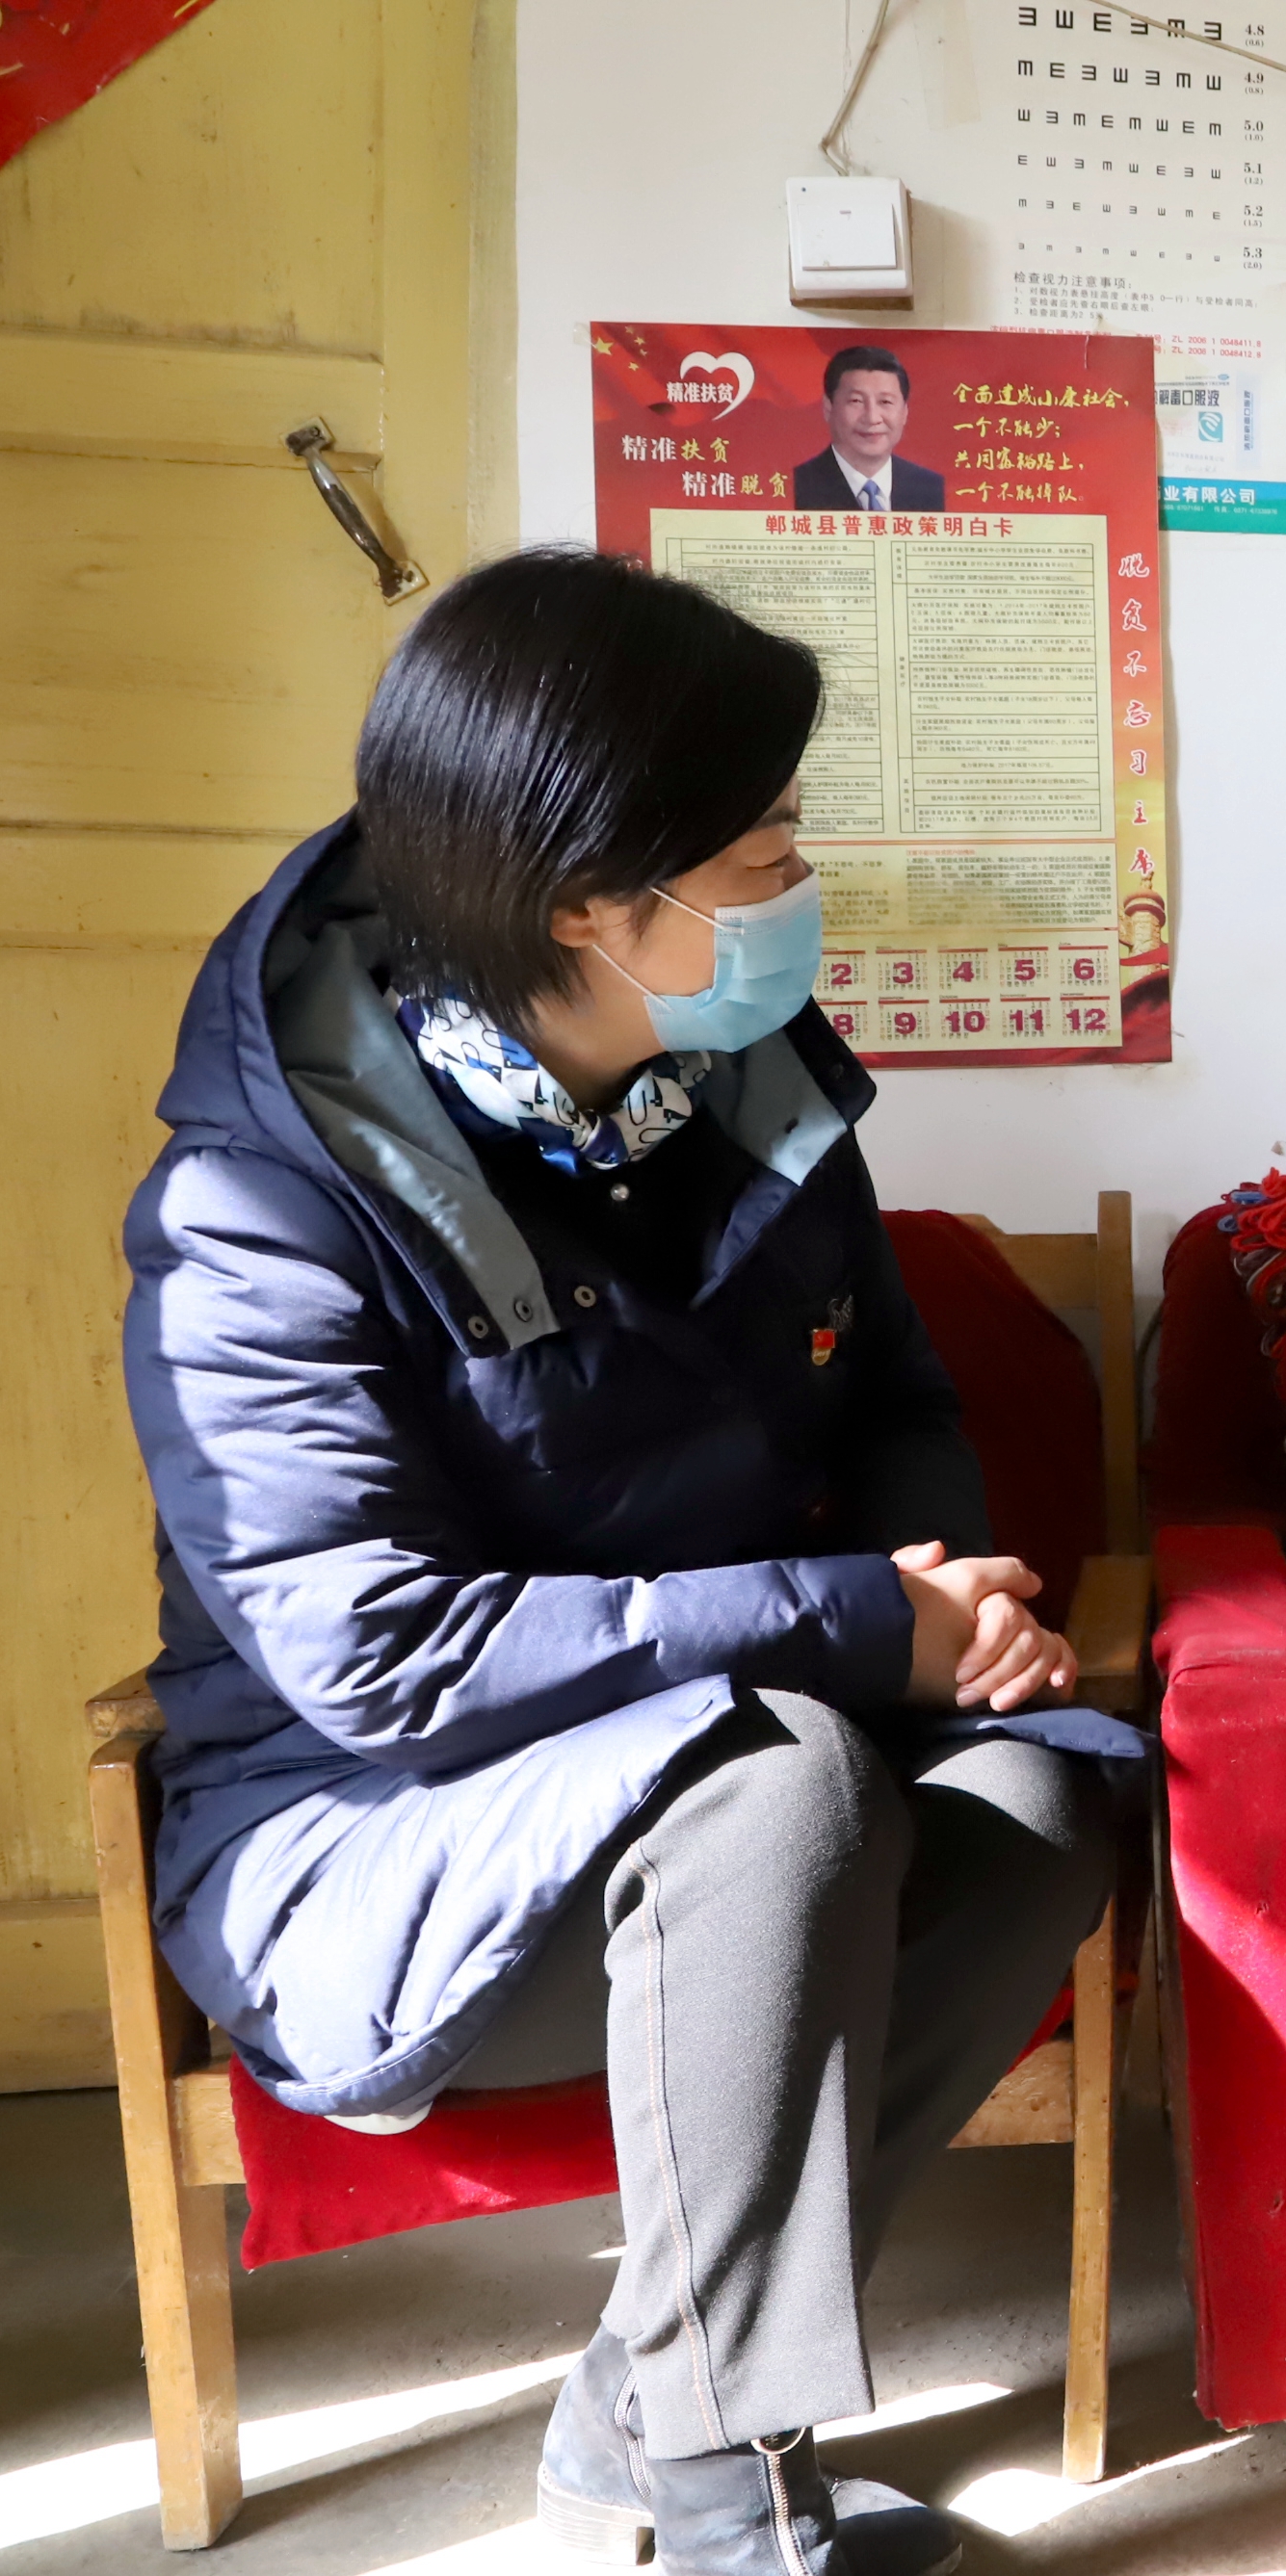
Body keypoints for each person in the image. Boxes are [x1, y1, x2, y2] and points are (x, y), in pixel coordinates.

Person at [121, 547, 1128, 2576]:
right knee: (781, 1786)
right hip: (365, 1827)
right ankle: (732, 2504)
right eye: (763, 851)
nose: (800, 887)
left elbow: (891, 1387)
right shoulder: (262, 1207)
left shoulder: (741, 1079)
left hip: (732, 1742)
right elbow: (383, 1659)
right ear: (587, 899)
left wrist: (960, 1591)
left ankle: (638, 2404)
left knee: (1048, 1800)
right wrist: (861, 1624)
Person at [792, 345, 948, 511]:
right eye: (856, 401)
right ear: (828, 408)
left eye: (885, 402)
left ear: (904, 412)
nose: (872, 418)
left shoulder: (931, 488)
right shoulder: (796, 486)